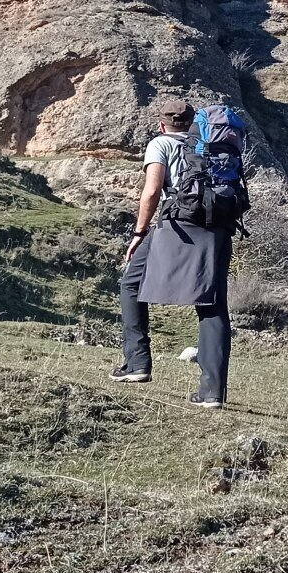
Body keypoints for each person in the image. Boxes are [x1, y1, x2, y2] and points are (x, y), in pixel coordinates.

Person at [112, 97, 234, 409]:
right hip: (219, 225)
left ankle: (137, 363)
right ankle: (212, 394)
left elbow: (152, 191)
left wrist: (139, 232)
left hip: (178, 223)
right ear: (194, 121)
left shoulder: (160, 143)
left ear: (161, 123)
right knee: (212, 304)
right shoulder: (213, 144)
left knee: (130, 282)